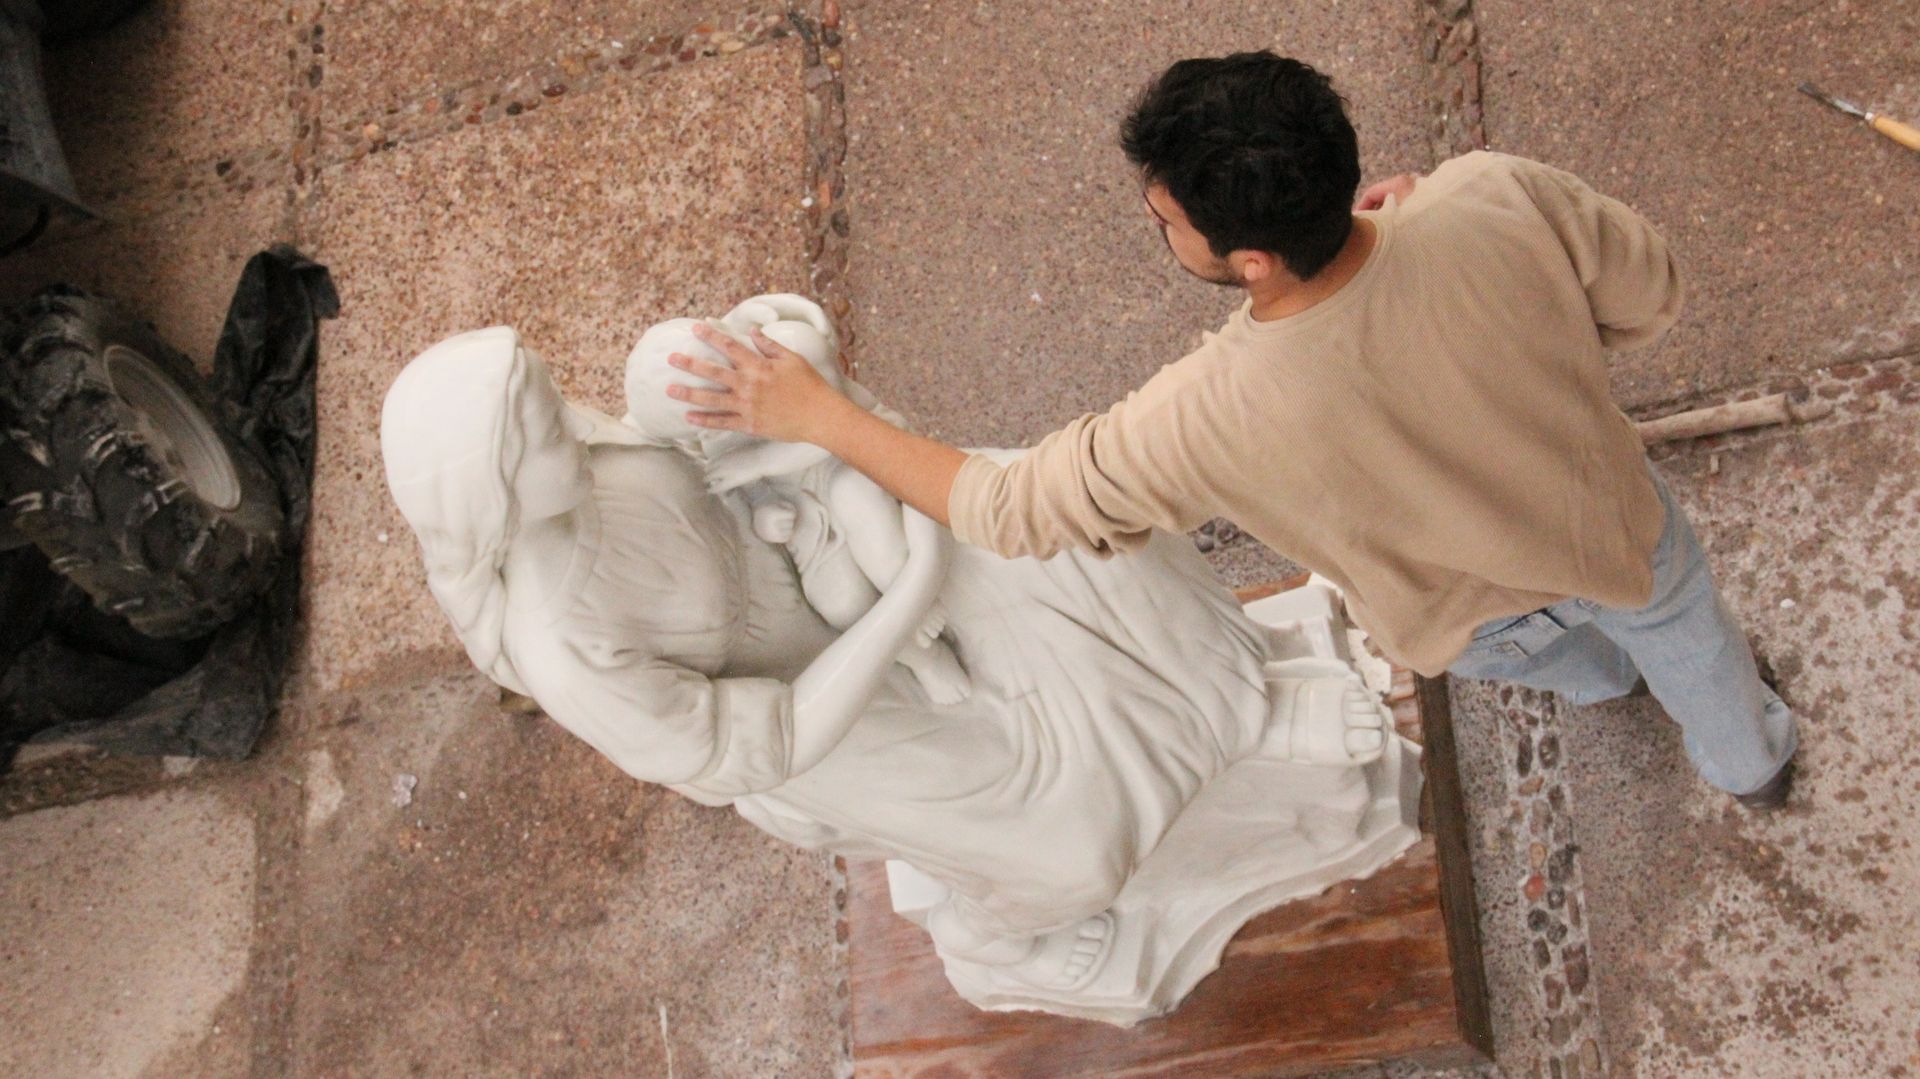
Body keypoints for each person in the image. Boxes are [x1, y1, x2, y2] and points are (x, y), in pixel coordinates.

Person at [659, 51, 1799, 809]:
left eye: (1165, 219)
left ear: (1246, 257)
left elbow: (1002, 508)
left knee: (1573, 666)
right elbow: (1649, 295)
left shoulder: (1202, 416)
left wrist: (819, 412)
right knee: (1692, 641)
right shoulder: (1490, 193)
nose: (1159, 229)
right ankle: (1748, 759)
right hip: (1614, 527)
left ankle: (1613, 694)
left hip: (1462, 619)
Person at [380, 326, 1397, 1001]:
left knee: (1080, 539)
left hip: (832, 559)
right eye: (539, 432)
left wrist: (768, 386)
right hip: (818, 719)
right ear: (496, 494)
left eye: (549, 401)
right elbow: (752, 747)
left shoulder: (600, 459)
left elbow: (726, 443)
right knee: (1071, 839)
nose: (569, 416)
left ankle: (1244, 703)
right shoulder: (566, 647)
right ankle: (1002, 942)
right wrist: (903, 604)